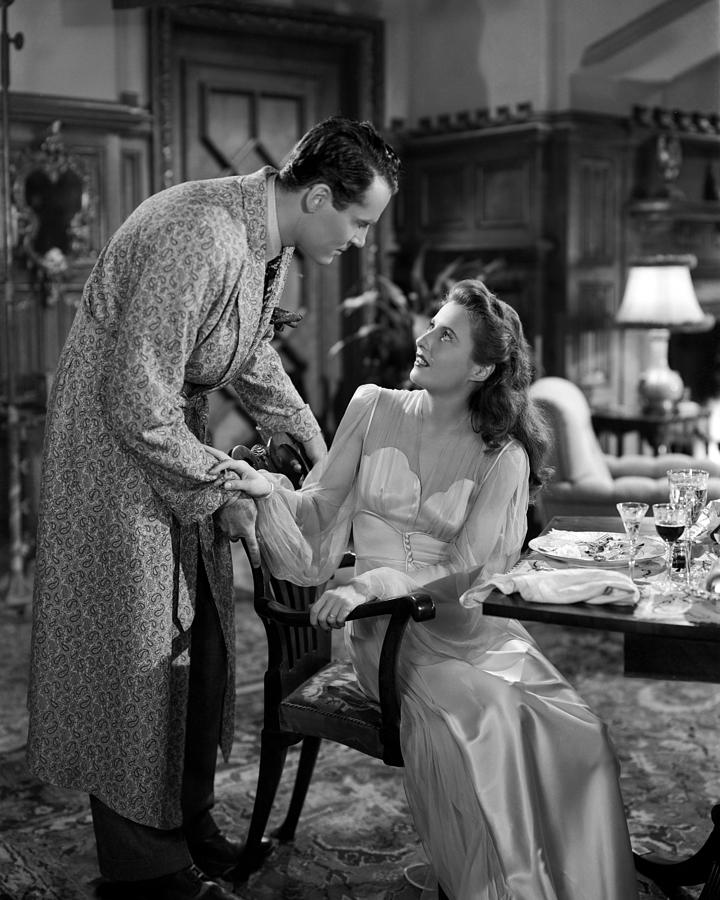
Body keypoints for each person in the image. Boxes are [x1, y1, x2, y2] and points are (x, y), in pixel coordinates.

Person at [26, 117, 400, 900]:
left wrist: (318, 447)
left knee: (199, 645)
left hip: (168, 445)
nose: (360, 241)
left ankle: (184, 817)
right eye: (360, 221)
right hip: (118, 462)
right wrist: (228, 487)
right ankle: (144, 870)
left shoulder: (264, 237)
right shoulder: (200, 233)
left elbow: (251, 352)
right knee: (133, 663)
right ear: (321, 196)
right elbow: (134, 399)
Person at [208, 279, 640, 900]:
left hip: (463, 626)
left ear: (484, 366)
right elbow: (321, 508)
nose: (425, 339)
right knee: (488, 718)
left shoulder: (503, 455)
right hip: (390, 637)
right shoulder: (372, 405)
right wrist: (266, 489)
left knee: (580, 733)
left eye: (446, 335)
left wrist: (375, 579)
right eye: (431, 326)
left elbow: (469, 567)